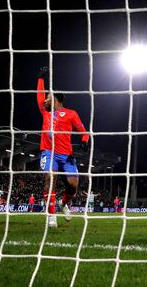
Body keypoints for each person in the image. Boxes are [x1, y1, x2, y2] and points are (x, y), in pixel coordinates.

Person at [37, 66, 90, 228]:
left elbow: (84, 131)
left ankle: (63, 202)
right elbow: (39, 97)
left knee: (73, 186)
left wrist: (85, 140)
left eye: (48, 98)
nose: (45, 100)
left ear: (56, 99)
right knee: (49, 178)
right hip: (48, 152)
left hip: (67, 155)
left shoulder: (71, 114)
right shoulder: (45, 112)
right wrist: (40, 79)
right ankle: (51, 216)